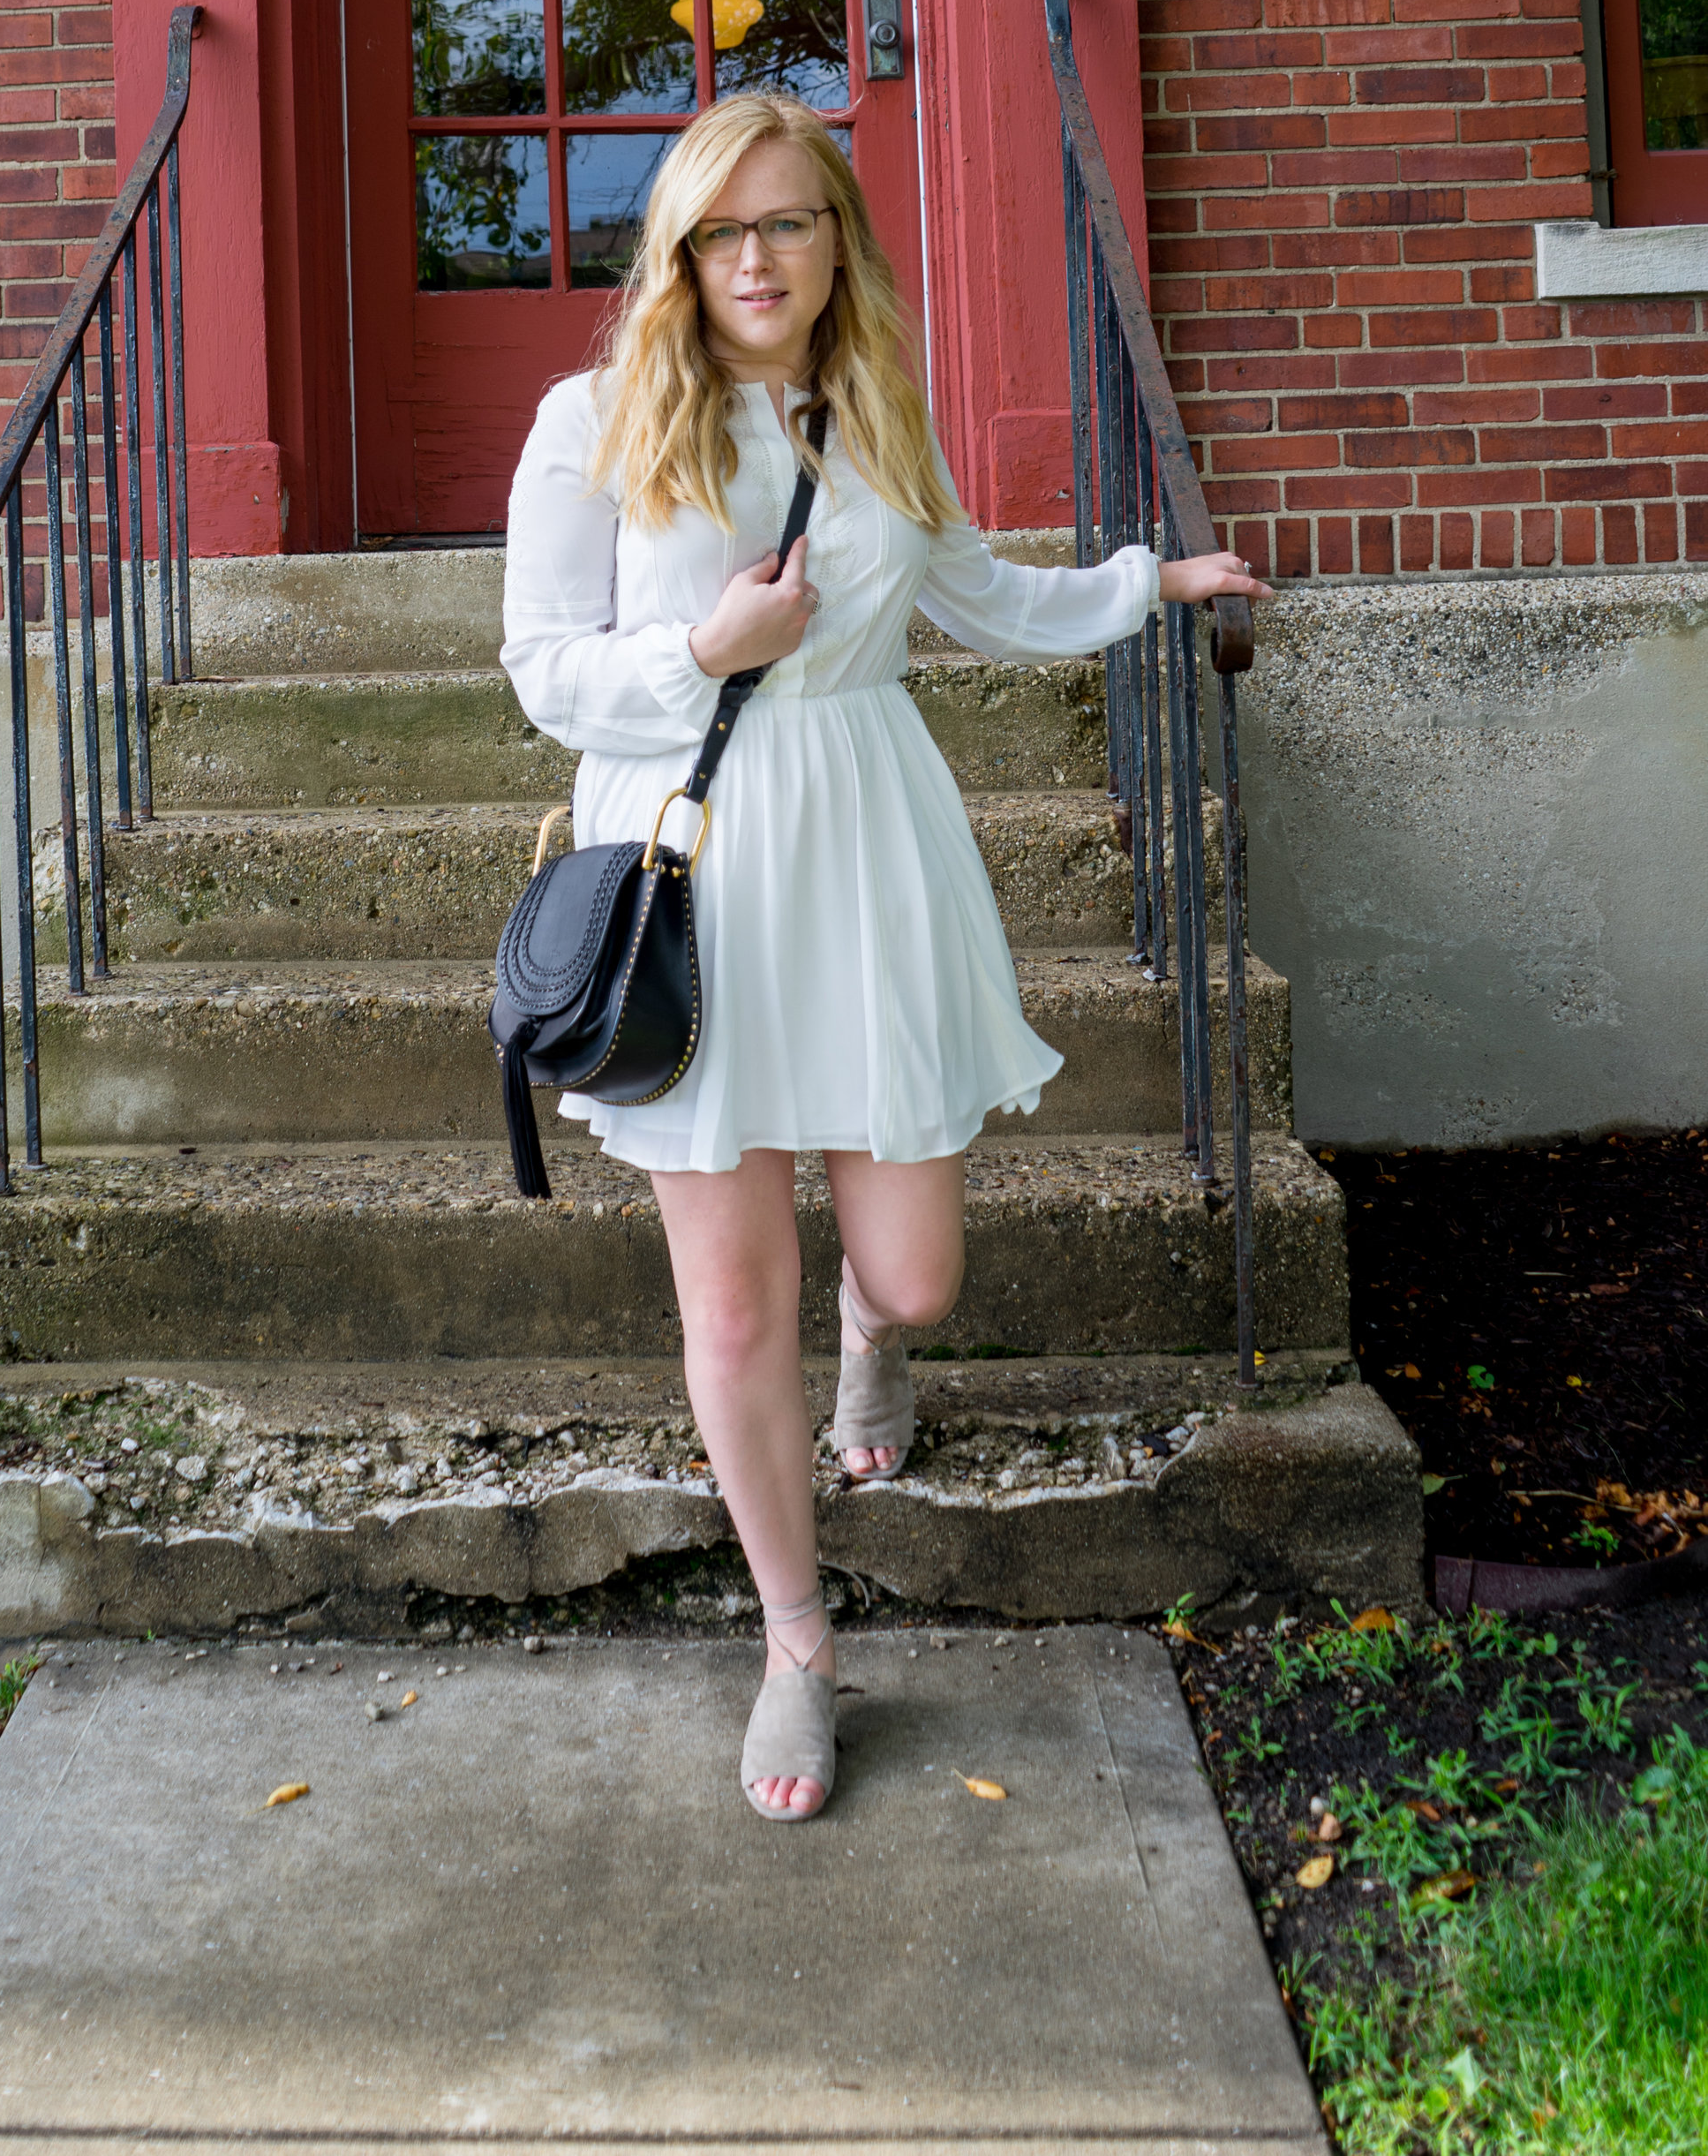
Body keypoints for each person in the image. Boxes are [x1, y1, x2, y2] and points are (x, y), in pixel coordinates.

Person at [499, 92, 1271, 1824]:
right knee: (725, 1300)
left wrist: (1151, 583)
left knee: (911, 1270)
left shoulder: (868, 411)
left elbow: (975, 593)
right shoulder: (593, 421)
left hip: (863, 842)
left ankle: (879, 1340)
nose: (755, 259)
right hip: (687, 863)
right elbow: (542, 667)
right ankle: (794, 1643)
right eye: (721, 231)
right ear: (679, 253)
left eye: (787, 223)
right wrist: (705, 649)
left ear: (836, 239)